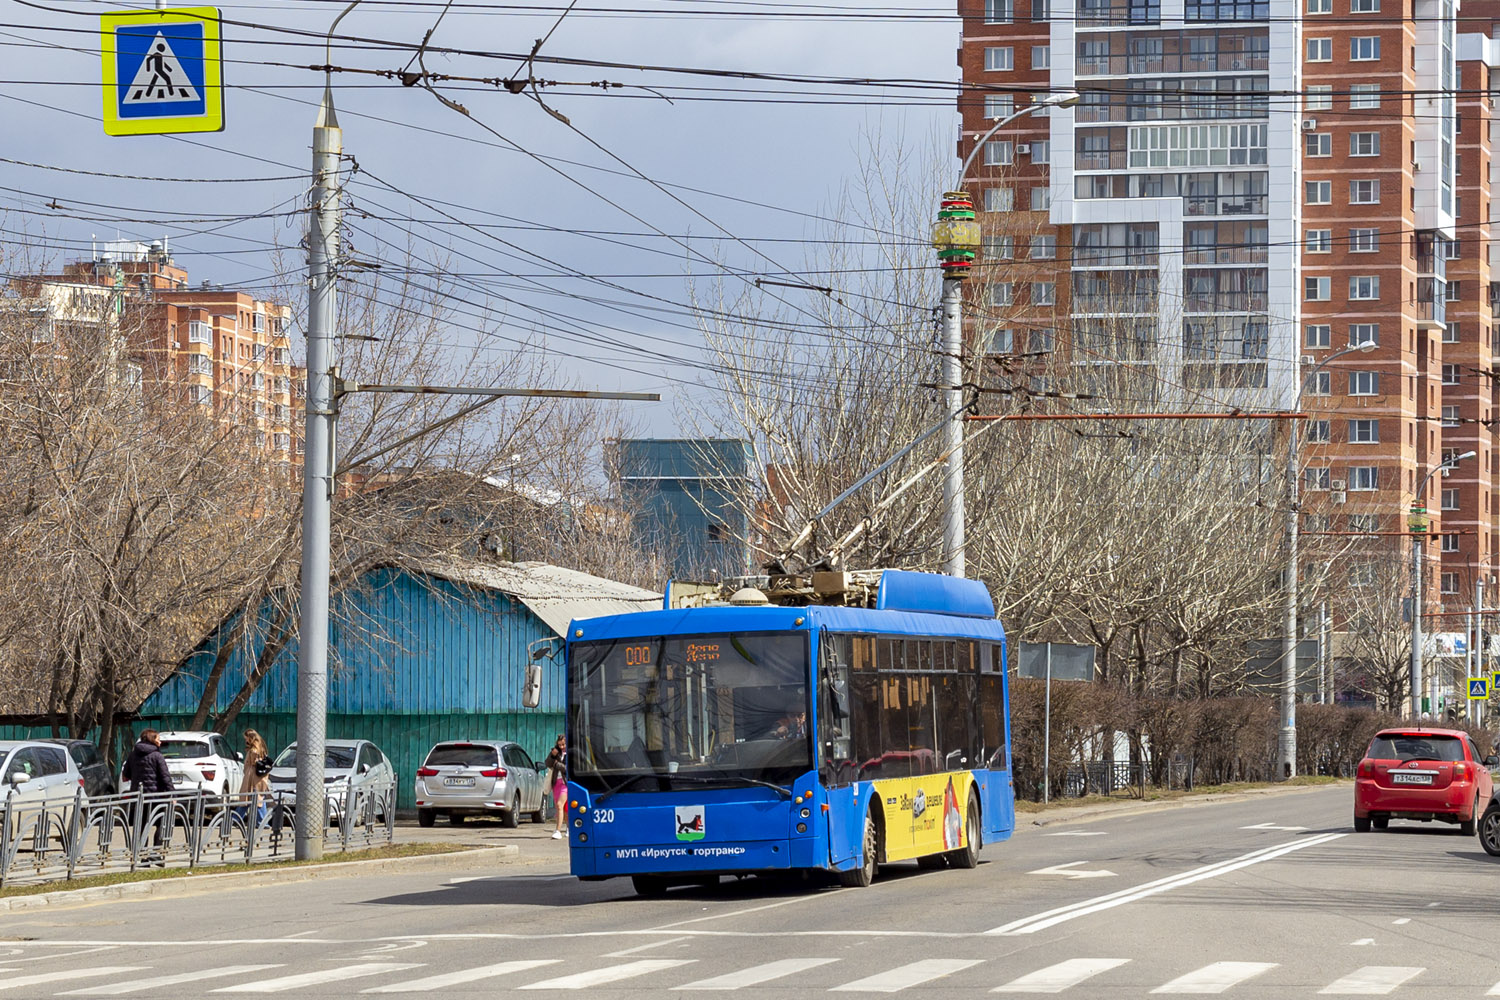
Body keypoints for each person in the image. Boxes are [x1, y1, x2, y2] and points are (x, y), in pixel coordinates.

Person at [122, 730, 174, 863]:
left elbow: (125, 774)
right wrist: (172, 794)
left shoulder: (133, 754)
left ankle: (143, 855)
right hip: (156, 797)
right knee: (162, 823)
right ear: (152, 739)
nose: (160, 741)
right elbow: (165, 777)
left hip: (139, 797)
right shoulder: (157, 755)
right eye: (158, 739)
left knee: (142, 825)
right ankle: (156, 853)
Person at [238, 730, 272, 828]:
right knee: (255, 799)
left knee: (254, 798)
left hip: (253, 778)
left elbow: (253, 763)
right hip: (257, 778)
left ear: (250, 737)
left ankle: (261, 822)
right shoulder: (261, 748)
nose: (245, 740)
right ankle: (261, 822)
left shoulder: (254, 750)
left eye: (246, 738)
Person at [544, 735, 568, 840]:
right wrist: (553, 756)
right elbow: (548, 763)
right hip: (556, 783)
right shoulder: (556, 752)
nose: (561, 747)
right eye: (559, 745)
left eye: (563, 744)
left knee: (559, 805)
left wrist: (558, 765)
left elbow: (568, 769)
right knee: (563, 808)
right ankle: (568, 827)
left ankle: (557, 831)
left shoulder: (571, 753)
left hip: (566, 783)